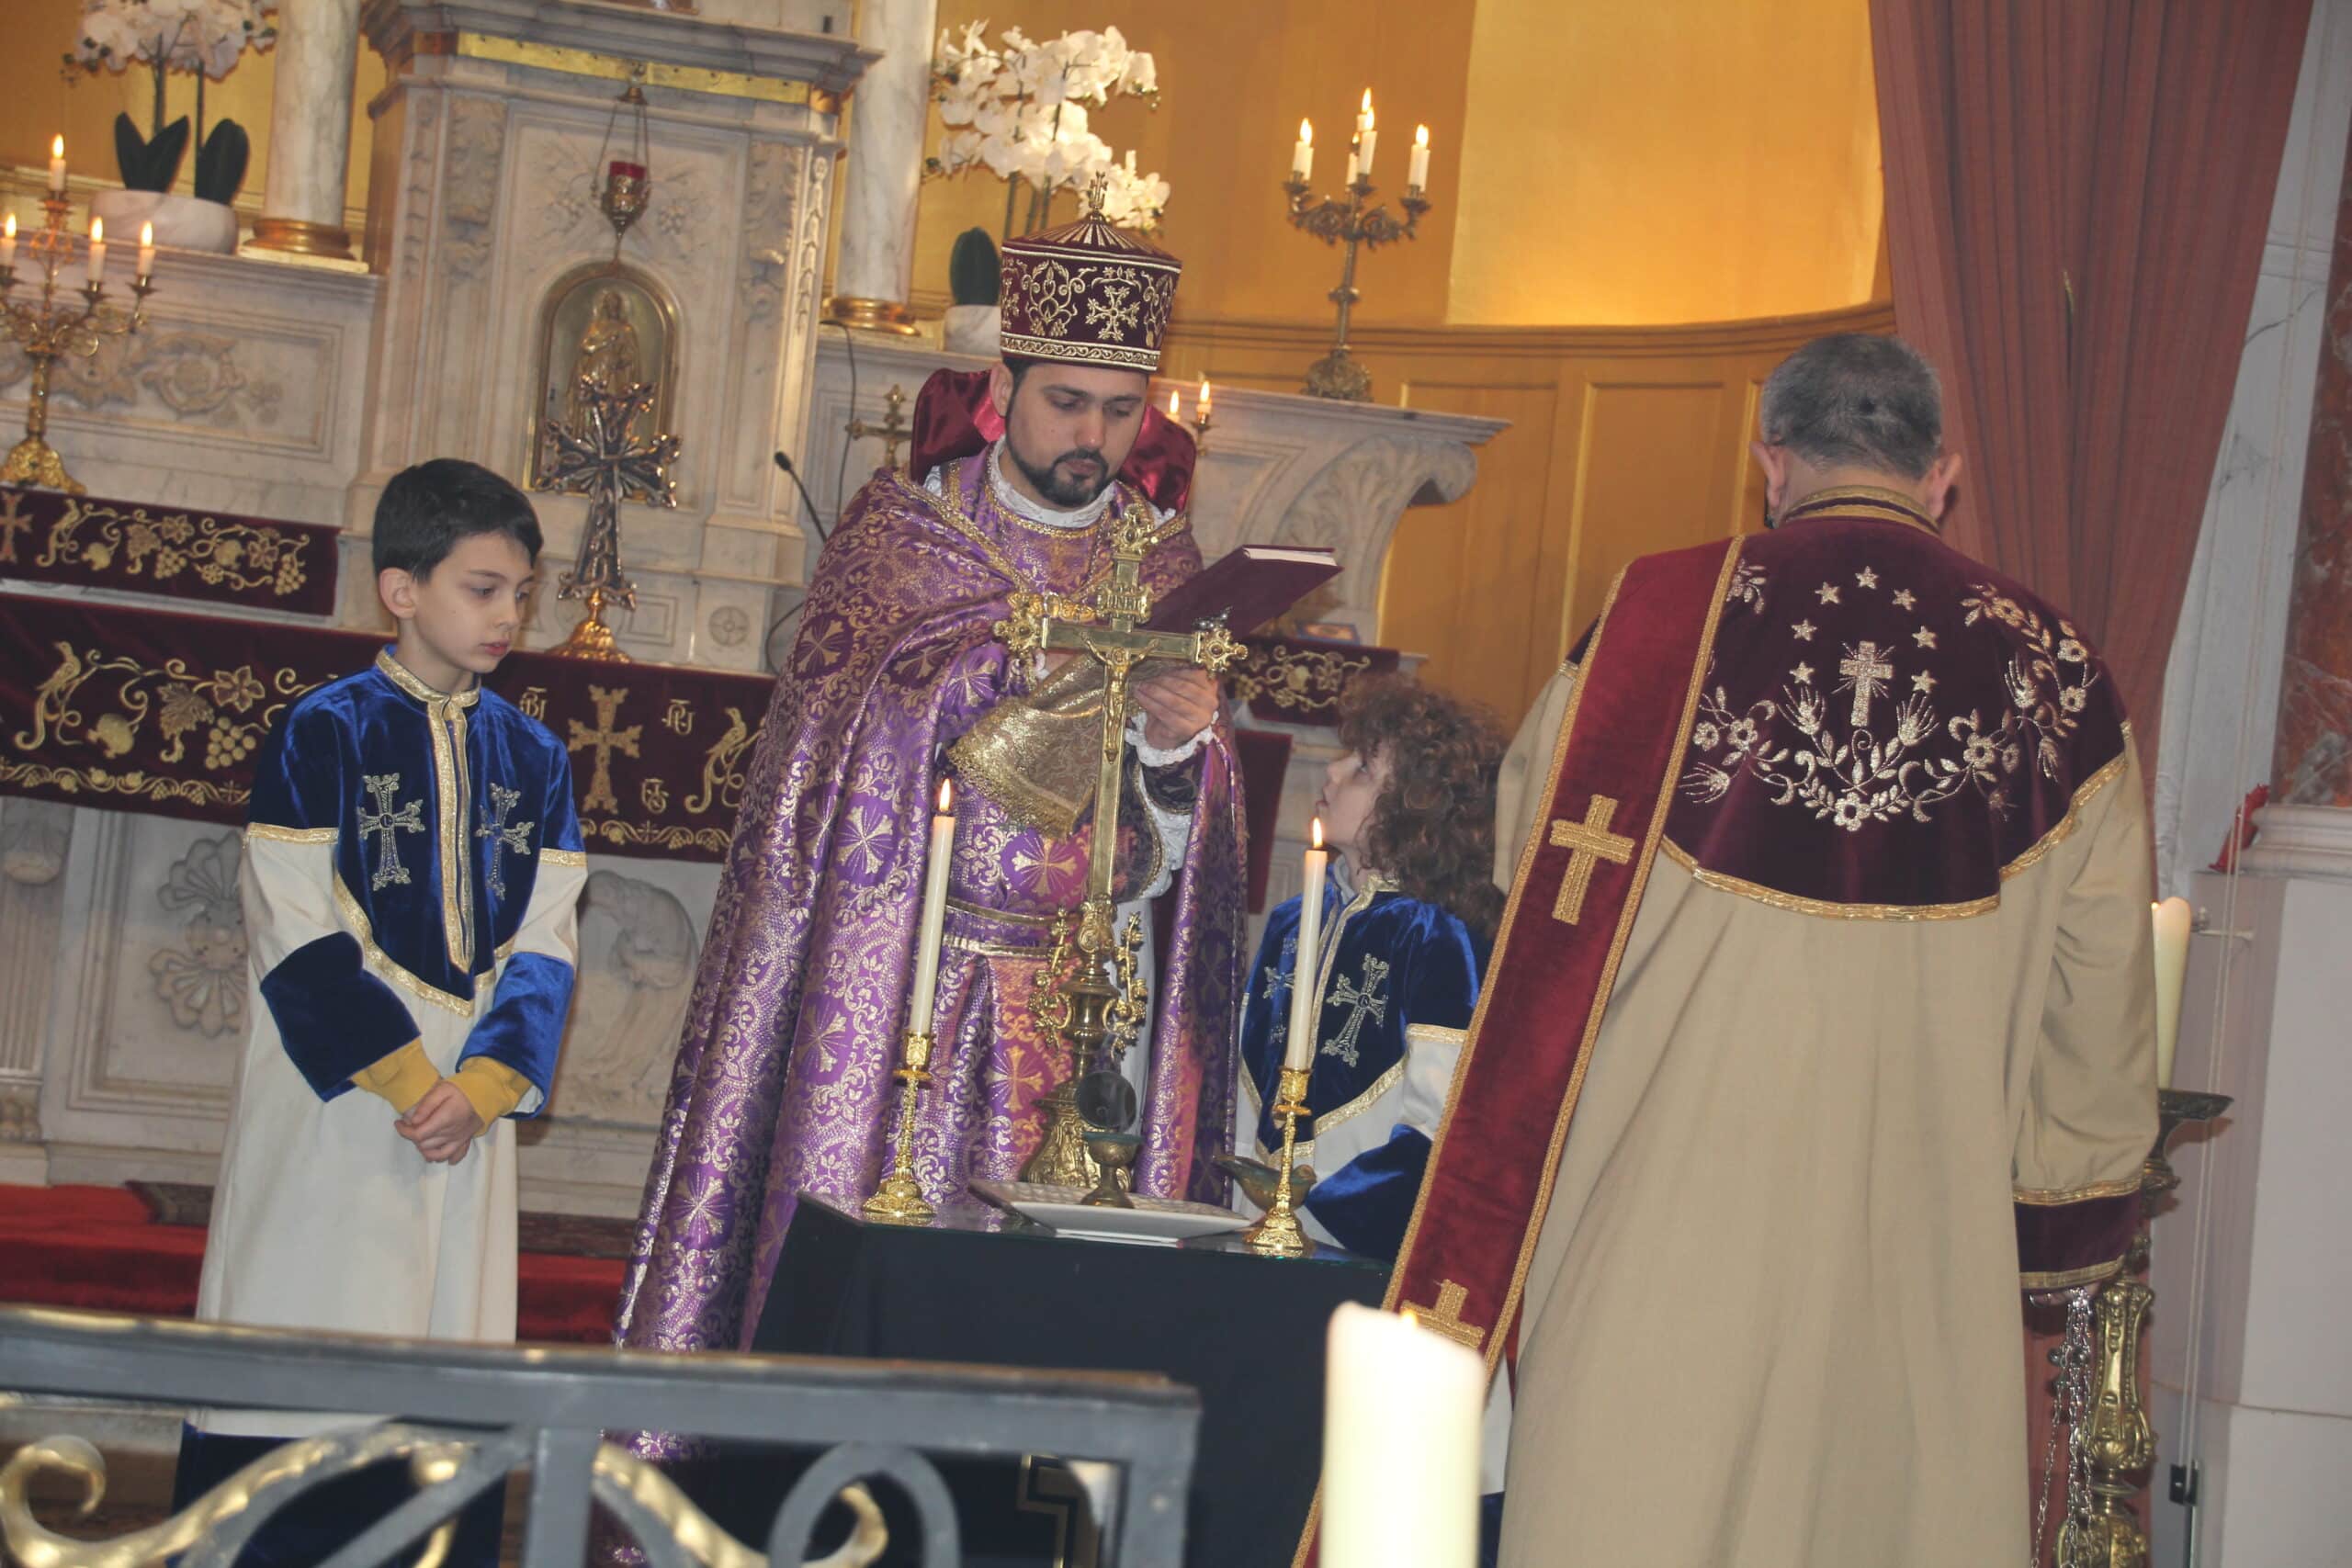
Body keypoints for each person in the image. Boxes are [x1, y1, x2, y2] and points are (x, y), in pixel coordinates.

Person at [1363, 334, 2157, 1568]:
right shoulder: (2056, 678)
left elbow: (1535, 878)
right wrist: (2066, 1210)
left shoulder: (1653, 625)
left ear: (1769, 462)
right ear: (1942, 472)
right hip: (1916, 1265)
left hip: (1655, 1238)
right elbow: (2098, 1011)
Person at [613, 197, 1246, 1387]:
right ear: (1002, 392)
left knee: (1048, 1320)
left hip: (1086, 996)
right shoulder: (903, 537)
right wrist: (993, 674)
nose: (1093, 438)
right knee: (888, 1301)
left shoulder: (1164, 560)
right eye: (1067, 403)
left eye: (1121, 411)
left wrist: (1181, 746)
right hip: (916, 973)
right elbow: (831, 758)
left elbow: (1179, 842)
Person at [172, 458, 584, 1565]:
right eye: (483, 587)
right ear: (401, 590)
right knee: (306, 1323)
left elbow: (546, 942)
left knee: (440, 1363)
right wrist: (413, 1083)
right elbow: (295, 932)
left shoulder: (538, 757)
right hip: (345, 1101)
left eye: (522, 591)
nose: (509, 614)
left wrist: (486, 1087)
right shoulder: (325, 731)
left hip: (468, 1112)